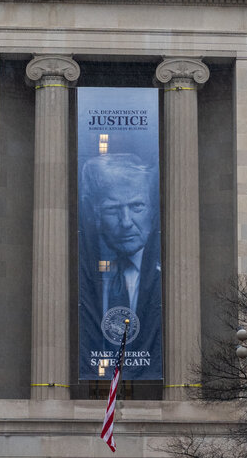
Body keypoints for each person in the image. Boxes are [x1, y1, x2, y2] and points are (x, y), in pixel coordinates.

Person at [78, 153, 162, 379]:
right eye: (113, 210)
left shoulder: (163, 273)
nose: (125, 222)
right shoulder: (83, 273)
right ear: (95, 215)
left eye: (136, 206)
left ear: (153, 211)